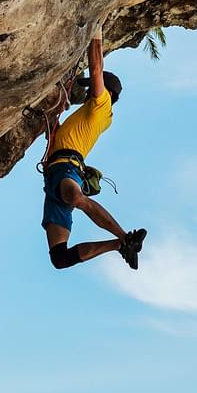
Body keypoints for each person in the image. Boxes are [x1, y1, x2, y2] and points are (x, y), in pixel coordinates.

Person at [40, 23, 146, 270]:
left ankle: (125, 237)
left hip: (66, 169)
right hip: (55, 177)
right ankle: (120, 245)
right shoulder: (90, 114)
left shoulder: (102, 105)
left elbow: (97, 67)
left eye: (91, 89)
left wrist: (95, 29)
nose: (87, 92)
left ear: (105, 92)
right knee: (60, 258)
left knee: (76, 198)